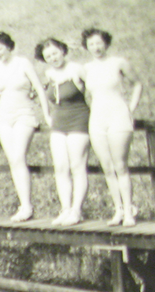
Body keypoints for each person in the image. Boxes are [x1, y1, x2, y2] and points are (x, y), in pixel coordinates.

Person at [0, 32, 51, 221]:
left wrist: (47, 114)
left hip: (24, 114)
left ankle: (27, 206)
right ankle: (24, 206)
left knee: (18, 157)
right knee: (13, 161)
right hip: (4, 116)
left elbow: (39, 89)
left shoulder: (23, 63)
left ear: (9, 46)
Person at [82, 28, 143, 226]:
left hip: (118, 117)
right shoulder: (86, 68)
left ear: (106, 44)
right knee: (107, 168)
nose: (96, 47)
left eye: (99, 43)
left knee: (120, 166)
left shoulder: (119, 63)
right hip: (97, 119)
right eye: (91, 44)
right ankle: (118, 210)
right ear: (87, 47)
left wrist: (130, 108)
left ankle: (129, 212)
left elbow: (137, 84)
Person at [36, 38, 91, 225]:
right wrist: (47, 116)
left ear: (63, 51)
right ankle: (65, 209)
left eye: (55, 53)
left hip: (79, 119)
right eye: (48, 56)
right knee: (60, 167)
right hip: (58, 122)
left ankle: (77, 210)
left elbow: (93, 91)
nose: (53, 58)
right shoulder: (48, 73)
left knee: (77, 165)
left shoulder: (77, 68)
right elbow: (43, 95)